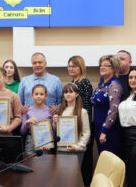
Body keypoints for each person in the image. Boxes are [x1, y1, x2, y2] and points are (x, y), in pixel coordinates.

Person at [67, 55, 93, 186]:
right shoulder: (73, 83)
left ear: (81, 67)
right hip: (72, 130)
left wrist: (86, 134)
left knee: (84, 164)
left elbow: (87, 108)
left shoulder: (84, 83)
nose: (71, 68)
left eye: (74, 66)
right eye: (70, 66)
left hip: (83, 129)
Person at [91, 55, 123, 156]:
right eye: (101, 65)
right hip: (98, 128)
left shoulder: (114, 85)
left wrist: (104, 131)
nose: (102, 67)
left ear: (114, 68)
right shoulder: (102, 84)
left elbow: (113, 110)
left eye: (106, 65)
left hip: (109, 130)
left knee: (109, 161)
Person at [53, 83, 90, 166]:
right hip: (61, 150)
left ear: (76, 94)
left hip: (76, 151)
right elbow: (56, 131)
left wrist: (78, 146)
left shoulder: (82, 112)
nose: (68, 94)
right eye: (66, 92)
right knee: (62, 176)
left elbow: (87, 132)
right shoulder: (60, 111)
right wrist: (54, 123)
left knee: (73, 177)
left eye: (71, 92)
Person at [20, 84, 53, 154]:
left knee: (45, 162)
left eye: (41, 94)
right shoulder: (27, 110)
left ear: (46, 96)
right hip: (30, 140)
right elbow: (22, 131)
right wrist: (27, 122)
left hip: (45, 141)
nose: (38, 96)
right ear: (32, 95)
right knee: (29, 162)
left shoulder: (50, 111)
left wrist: (50, 143)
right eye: (36, 94)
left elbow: (53, 131)